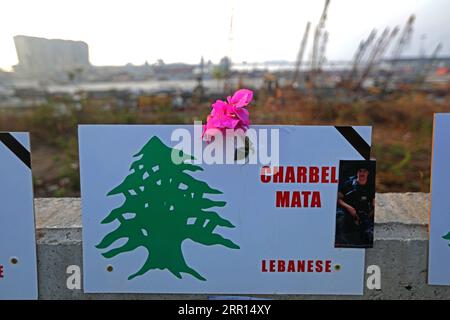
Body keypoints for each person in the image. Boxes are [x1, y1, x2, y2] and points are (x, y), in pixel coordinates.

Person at [336, 165, 375, 247]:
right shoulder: (348, 184)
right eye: (360, 171)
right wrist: (349, 208)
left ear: (368, 173)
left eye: (364, 171)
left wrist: (369, 215)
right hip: (348, 212)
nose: (362, 173)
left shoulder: (371, 187)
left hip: (363, 215)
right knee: (340, 217)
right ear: (357, 173)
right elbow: (338, 199)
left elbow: (374, 204)